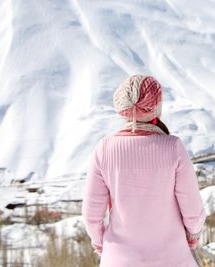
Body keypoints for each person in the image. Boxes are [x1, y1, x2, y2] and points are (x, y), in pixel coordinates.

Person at [82, 75, 206, 267]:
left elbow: (91, 215)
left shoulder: (104, 148)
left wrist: (99, 242)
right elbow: (192, 210)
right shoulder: (173, 147)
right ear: (157, 106)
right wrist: (192, 235)